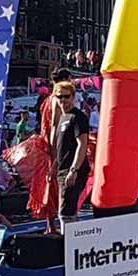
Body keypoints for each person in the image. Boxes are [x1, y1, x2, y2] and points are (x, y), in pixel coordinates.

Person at [51, 81, 90, 228]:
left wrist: (74, 170)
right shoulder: (63, 117)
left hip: (73, 170)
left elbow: (82, 144)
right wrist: (54, 166)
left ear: (73, 97)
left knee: (66, 212)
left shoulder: (78, 117)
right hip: (63, 169)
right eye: (59, 97)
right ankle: (70, 243)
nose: (63, 100)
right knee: (66, 211)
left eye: (66, 97)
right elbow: (62, 147)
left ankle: (69, 244)